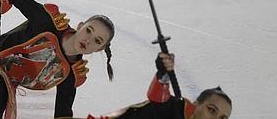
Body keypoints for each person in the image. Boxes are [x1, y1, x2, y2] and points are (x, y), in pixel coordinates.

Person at [87, 53, 232, 119]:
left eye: (222, 118)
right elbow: (159, 98)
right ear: (196, 104)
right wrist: (163, 74)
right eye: (212, 110)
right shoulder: (175, 108)